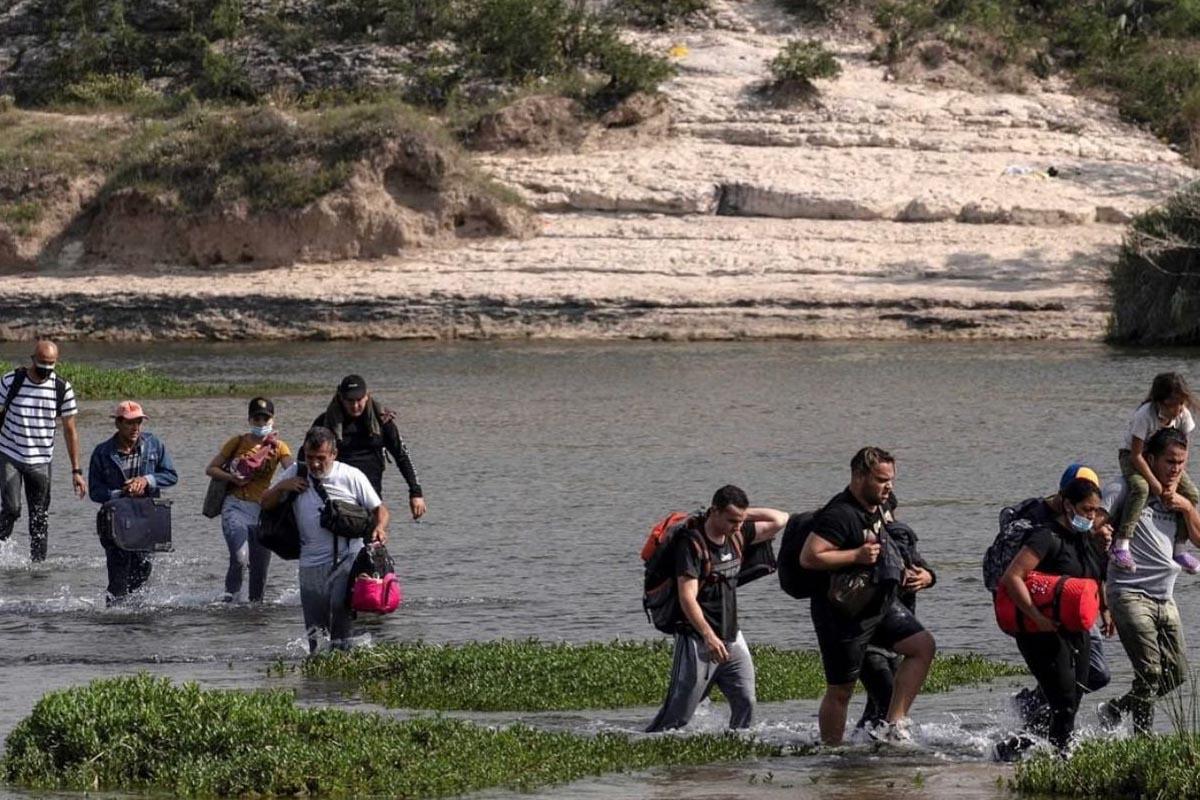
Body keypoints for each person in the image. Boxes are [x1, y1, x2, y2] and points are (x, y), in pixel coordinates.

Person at [800, 447, 936, 745]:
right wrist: (856, 555)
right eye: (881, 480)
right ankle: (832, 751)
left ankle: (894, 725)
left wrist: (926, 574)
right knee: (840, 691)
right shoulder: (839, 514)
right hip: (842, 615)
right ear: (859, 476)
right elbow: (810, 557)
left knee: (922, 646)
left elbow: (899, 543)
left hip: (880, 605)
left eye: (891, 480)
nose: (888, 486)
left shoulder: (884, 505)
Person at [645, 485, 787, 732]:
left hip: (732, 637)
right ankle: (648, 745)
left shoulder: (738, 534)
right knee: (678, 715)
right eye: (732, 519)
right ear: (714, 512)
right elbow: (687, 597)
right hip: (698, 639)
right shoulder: (691, 545)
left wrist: (743, 516)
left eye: (740, 520)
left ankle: (732, 759)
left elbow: (780, 519)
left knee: (746, 702)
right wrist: (708, 636)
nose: (738, 526)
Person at [1098, 427, 1200, 734]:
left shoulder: (1179, 496)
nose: (1175, 469)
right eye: (1170, 461)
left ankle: (1116, 709)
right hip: (1129, 593)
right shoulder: (1126, 488)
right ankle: (1143, 740)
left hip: (1165, 598)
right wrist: (1102, 534)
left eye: (1181, 463)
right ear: (1150, 459)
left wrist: (1187, 507)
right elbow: (1095, 524)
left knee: (1178, 674)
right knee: (1150, 672)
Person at [999, 474, 1107, 754]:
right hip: (1039, 631)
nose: (1091, 516)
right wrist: (1037, 617)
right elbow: (1013, 578)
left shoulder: (1085, 539)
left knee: (1077, 692)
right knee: (1064, 701)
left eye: (1095, 510)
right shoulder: (1045, 536)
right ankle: (1063, 758)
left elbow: (1094, 580)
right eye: (1086, 510)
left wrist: (1106, 612)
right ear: (1068, 506)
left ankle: (1014, 747)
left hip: (1075, 629)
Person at [262, 426, 389, 652]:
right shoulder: (295, 472)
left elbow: (380, 509)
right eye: (310, 458)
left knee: (340, 607)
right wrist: (282, 486)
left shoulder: (351, 476)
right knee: (315, 632)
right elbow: (265, 503)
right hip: (310, 562)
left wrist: (379, 527)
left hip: (347, 557)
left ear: (333, 454)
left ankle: (342, 663)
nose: (315, 464)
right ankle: (318, 675)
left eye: (321, 458)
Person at [0, 340, 86, 561]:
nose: (46, 370)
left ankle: (38, 567)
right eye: (42, 364)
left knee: (39, 518)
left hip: (41, 460)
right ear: (32, 359)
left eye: (51, 365)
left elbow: (70, 431)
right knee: (12, 508)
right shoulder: (11, 381)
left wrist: (76, 471)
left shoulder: (62, 388)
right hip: (10, 453)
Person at [87, 401, 178, 605]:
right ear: (118, 424)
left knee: (141, 576)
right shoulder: (102, 453)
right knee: (117, 578)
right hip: (114, 522)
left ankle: (137, 626)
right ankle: (116, 621)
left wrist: (147, 480)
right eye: (130, 423)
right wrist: (121, 492)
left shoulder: (154, 444)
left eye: (139, 422)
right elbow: (95, 492)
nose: (135, 427)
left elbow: (171, 475)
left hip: (146, 519)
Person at [205, 397, 293, 602]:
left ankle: (255, 615)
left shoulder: (279, 447)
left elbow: (292, 470)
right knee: (240, 558)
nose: (261, 423)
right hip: (235, 506)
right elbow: (211, 469)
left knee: (259, 569)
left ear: (273, 420)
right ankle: (230, 602)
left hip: (263, 511)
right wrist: (231, 478)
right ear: (249, 419)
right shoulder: (237, 442)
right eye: (256, 418)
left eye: (265, 418)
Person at [1111, 372, 1200, 573]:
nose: (1177, 409)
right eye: (1172, 404)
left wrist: (1174, 485)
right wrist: (1155, 484)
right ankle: (1122, 544)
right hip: (1135, 457)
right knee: (1141, 488)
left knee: (1192, 494)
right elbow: (1135, 455)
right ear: (1159, 401)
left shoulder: (1183, 415)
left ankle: (1179, 548)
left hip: (1166, 459)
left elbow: (1183, 453)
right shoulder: (1145, 415)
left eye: (1181, 403)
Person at [856, 512, 937, 731]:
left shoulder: (900, 535)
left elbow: (925, 568)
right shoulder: (861, 539)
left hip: (898, 639)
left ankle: (862, 746)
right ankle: (887, 746)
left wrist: (927, 577)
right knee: (888, 699)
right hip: (869, 639)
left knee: (880, 704)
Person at [310, 375, 425, 520]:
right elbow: (306, 456)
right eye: (350, 401)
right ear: (340, 398)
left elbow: (402, 456)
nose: (355, 406)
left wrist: (416, 493)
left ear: (367, 396)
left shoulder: (382, 420)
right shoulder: (325, 422)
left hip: (371, 496)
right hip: (336, 496)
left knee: (373, 537)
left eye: (359, 400)